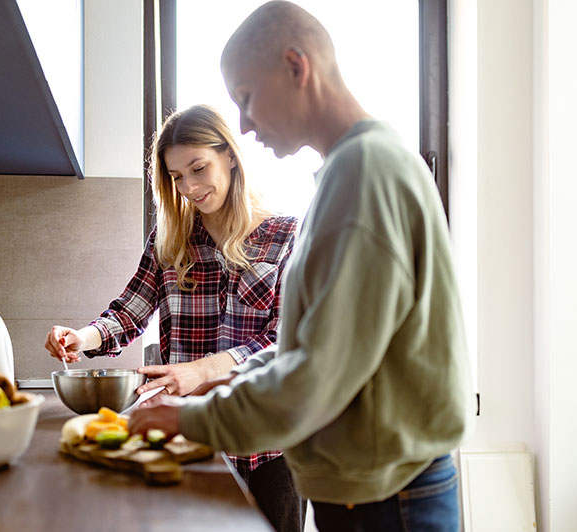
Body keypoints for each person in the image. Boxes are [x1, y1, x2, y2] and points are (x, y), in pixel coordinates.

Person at [128, 2, 475, 531]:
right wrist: (214, 382)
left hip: (387, 500)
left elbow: (317, 378)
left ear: (297, 66)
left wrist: (193, 418)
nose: (243, 124)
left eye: (245, 98)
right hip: (373, 490)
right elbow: (305, 350)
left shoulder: (364, 176)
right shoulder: (350, 171)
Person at [44, 104, 305, 532]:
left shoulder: (287, 236)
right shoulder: (170, 240)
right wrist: (83, 337)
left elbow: (287, 340)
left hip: (268, 449)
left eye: (199, 168)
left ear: (231, 156)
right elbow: (128, 311)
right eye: (177, 177)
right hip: (187, 444)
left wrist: (204, 370)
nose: (189, 187)